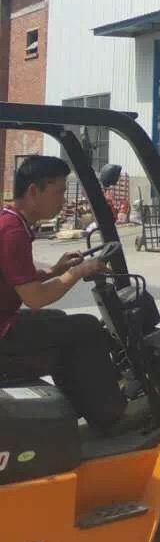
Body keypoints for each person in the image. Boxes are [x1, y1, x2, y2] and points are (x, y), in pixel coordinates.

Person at [0, 155, 125, 432]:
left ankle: (79, 407)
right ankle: (109, 416)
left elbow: (16, 278)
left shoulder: (10, 220)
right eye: (58, 191)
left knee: (58, 320)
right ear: (34, 191)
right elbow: (35, 298)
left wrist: (56, 271)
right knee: (86, 328)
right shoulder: (12, 231)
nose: (62, 200)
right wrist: (79, 271)